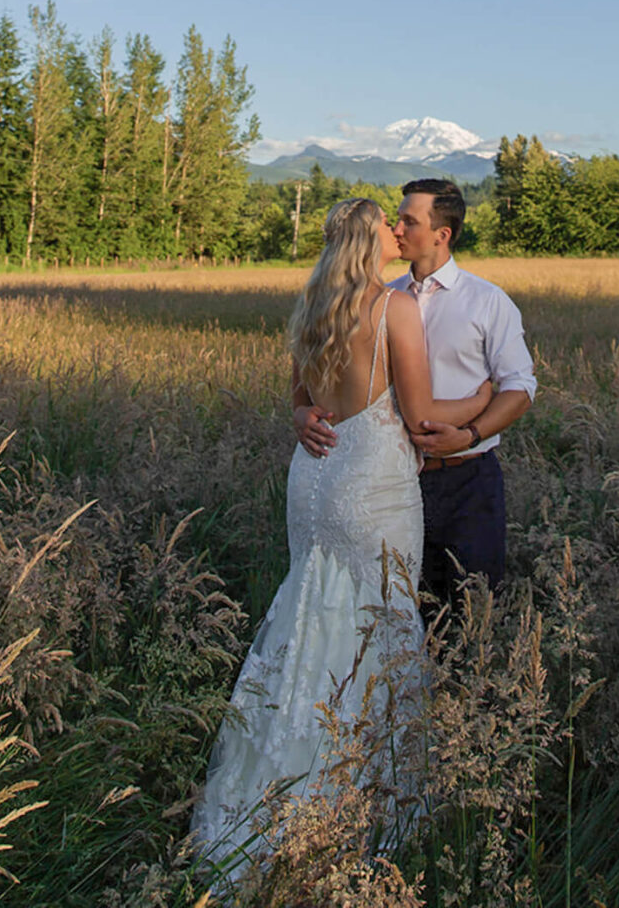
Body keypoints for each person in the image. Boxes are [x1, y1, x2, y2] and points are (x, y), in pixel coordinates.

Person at [192, 197, 490, 879]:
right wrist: (484, 401)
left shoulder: (312, 306)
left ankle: (275, 784)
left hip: (314, 480)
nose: (397, 231)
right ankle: (361, 809)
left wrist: (302, 417)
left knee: (308, 615)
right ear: (370, 241)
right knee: (375, 626)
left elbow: (299, 400)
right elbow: (419, 418)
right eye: (389, 224)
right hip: (371, 488)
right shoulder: (394, 309)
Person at [295, 179, 536, 608]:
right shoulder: (383, 298)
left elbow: (520, 387)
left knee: (470, 609)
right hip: (393, 479)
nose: (399, 229)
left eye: (409, 221)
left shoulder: (487, 301)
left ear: (442, 235)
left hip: (467, 478)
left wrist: (472, 434)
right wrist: (300, 412)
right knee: (398, 606)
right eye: (396, 220)